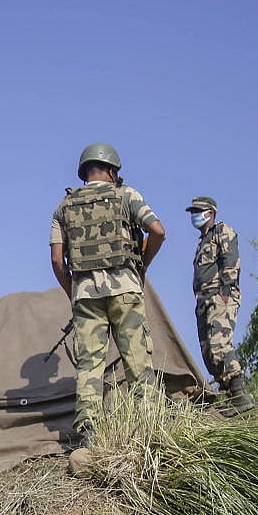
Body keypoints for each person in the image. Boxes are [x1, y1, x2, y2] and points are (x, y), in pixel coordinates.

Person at [50, 143, 166, 443]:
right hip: (125, 287)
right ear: (112, 171)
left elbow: (56, 259)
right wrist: (141, 266)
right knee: (138, 360)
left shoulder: (64, 207)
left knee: (89, 364)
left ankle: (88, 430)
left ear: (83, 172)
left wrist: (73, 291)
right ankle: (148, 428)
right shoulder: (127, 195)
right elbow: (157, 230)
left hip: (86, 294)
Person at [186, 196, 253, 411]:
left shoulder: (221, 231)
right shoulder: (202, 241)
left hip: (219, 296)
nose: (195, 215)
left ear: (211, 213)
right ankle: (230, 396)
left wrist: (225, 291)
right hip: (203, 300)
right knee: (208, 353)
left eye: (199, 211)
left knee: (219, 345)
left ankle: (241, 395)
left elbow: (230, 260)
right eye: (193, 211)